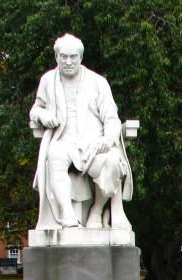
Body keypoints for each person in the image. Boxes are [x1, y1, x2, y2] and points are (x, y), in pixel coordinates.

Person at [29, 33, 133, 230]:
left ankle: (96, 210)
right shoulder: (48, 80)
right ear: (56, 57)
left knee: (112, 161)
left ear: (80, 58)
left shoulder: (98, 82)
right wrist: (42, 115)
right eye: (64, 57)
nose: (68, 62)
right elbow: (35, 109)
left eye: (73, 57)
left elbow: (112, 118)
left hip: (94, 143)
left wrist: (107, 139)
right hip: (64, 141)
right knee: (54, 155)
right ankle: (67, 216)